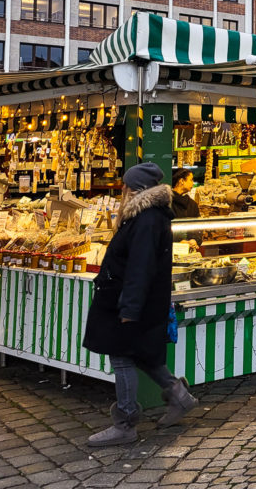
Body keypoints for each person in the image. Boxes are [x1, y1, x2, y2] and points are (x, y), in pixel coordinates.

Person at [82, 162, 198, 446]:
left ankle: (125, 423)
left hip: (131, 300)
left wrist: (129, 308)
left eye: (126, 186)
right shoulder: (147, 216)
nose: (122, 190)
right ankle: (180, 398)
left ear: (137, 190)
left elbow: (141, 267)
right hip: (133, 298)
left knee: (122, 357)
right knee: (141, 353)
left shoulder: (146, 219)